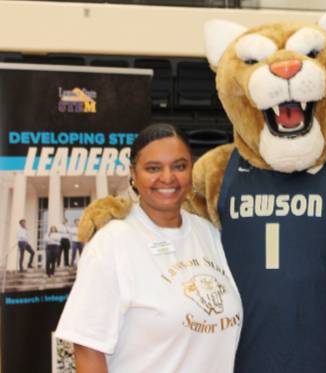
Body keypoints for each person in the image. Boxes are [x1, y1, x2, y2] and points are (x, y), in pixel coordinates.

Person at [55, 123, 242, 373]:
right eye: (153, 168)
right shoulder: (112, 243)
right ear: (134, 173)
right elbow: (88, 350)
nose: (167, 177)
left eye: (179, 166)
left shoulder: (208, 232)